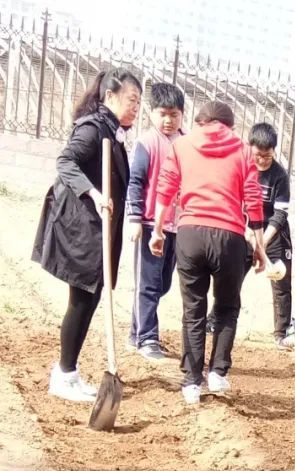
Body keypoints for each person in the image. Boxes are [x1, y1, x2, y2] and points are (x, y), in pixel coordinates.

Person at [32, 68, 142, 402]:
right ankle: (64, 374)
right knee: (80, 301)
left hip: (98, 232)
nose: (136, 108)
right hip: (82, 231)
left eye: (139, 102)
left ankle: (70, 371)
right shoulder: (94, 129)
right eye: (131, 100)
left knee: (90, 299)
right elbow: (66, 162)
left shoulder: (113, 131)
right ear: (110, 96)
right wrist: (94, 194)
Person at [151, 99, 267, 406]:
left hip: (190, 233)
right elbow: (253, 199)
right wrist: (260, 246)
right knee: (227, 307)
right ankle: (217, 372)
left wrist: (158, 230)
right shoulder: (243, 150)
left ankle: (191, 381)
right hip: (229, 236)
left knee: (193, 309)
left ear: (200, 122)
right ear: (229, 126)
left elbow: (165, 188)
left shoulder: (181, 146)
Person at [125, 81, 184, 362]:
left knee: (163, 284)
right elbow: (135, 181)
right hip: (150, 223)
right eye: (163, 114)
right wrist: (135, 219)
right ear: (152, 113)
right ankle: (148, 338)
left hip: (175, 226)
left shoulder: (186, 144)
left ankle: (136, 333)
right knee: (147, 283)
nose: (168, 120)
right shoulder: (146, 143)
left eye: (174, 115)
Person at [248, 122, 293, 348]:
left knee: (281, 281)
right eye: (258, 155)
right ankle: (216, 319)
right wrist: (251, 237)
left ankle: (281, 331)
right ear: (250, 149)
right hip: (246, 230)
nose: (262, 160)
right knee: (229, 275)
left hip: (274, 233)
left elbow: (280, 213)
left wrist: (263, 242)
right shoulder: (244, 168)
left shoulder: (280, 175)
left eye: (267, 156)